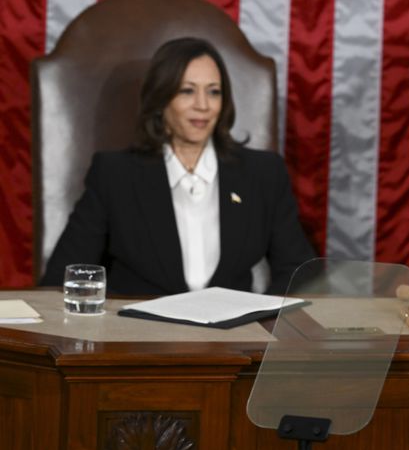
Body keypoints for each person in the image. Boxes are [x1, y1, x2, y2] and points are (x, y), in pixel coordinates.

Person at [41, 37, 315, 295]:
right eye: (187, 91)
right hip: (140, 338)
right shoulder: (114, 174)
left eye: (214, 92)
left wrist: (261, 323)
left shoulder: (263, 173)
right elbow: (63, 279)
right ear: (160, 100)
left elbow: (299, 273)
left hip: (233, 339)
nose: (203, 105)